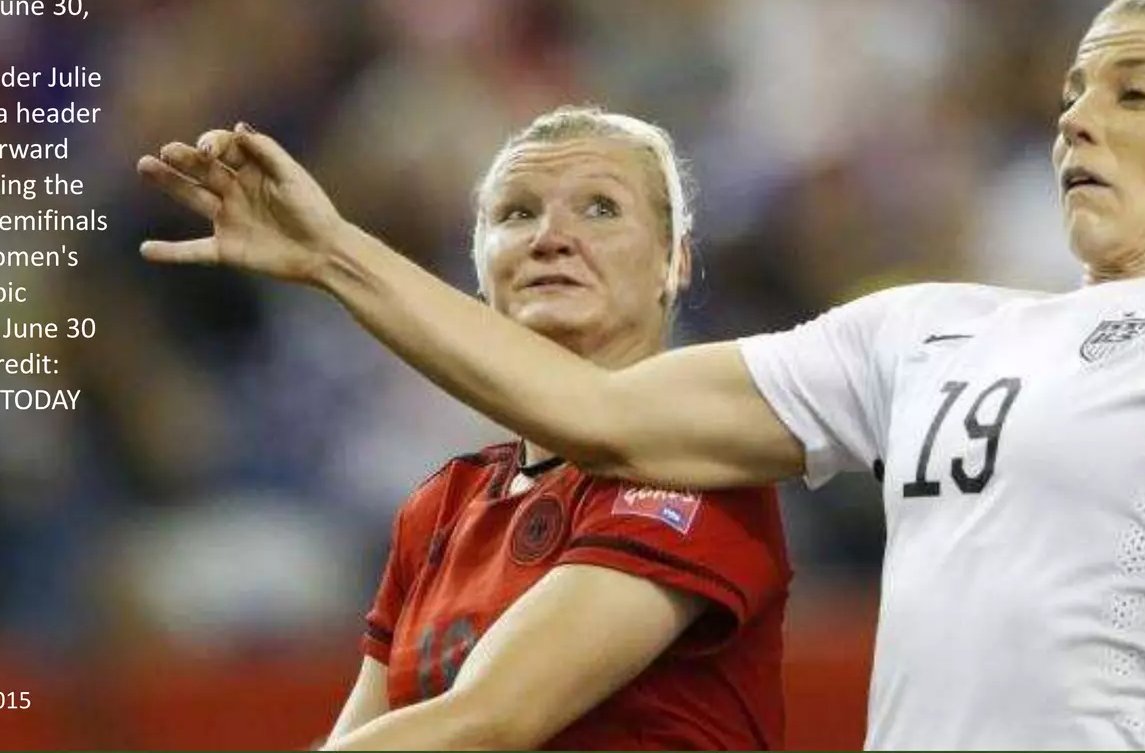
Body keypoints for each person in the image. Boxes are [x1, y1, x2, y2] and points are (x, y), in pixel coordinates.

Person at [140, 0, 1145, 750]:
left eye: (1131, 92)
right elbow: (591, 409)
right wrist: (330, 252)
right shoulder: (929, 327)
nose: (1077, 119)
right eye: (1070, 94)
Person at [144, 107, 790, 750]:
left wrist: (332, 252)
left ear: (673, 263)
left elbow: (488, 722)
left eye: (600, 208)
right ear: (478, 272)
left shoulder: (700, 470)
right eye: (517, 213)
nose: (551, 237)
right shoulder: (442, 506)